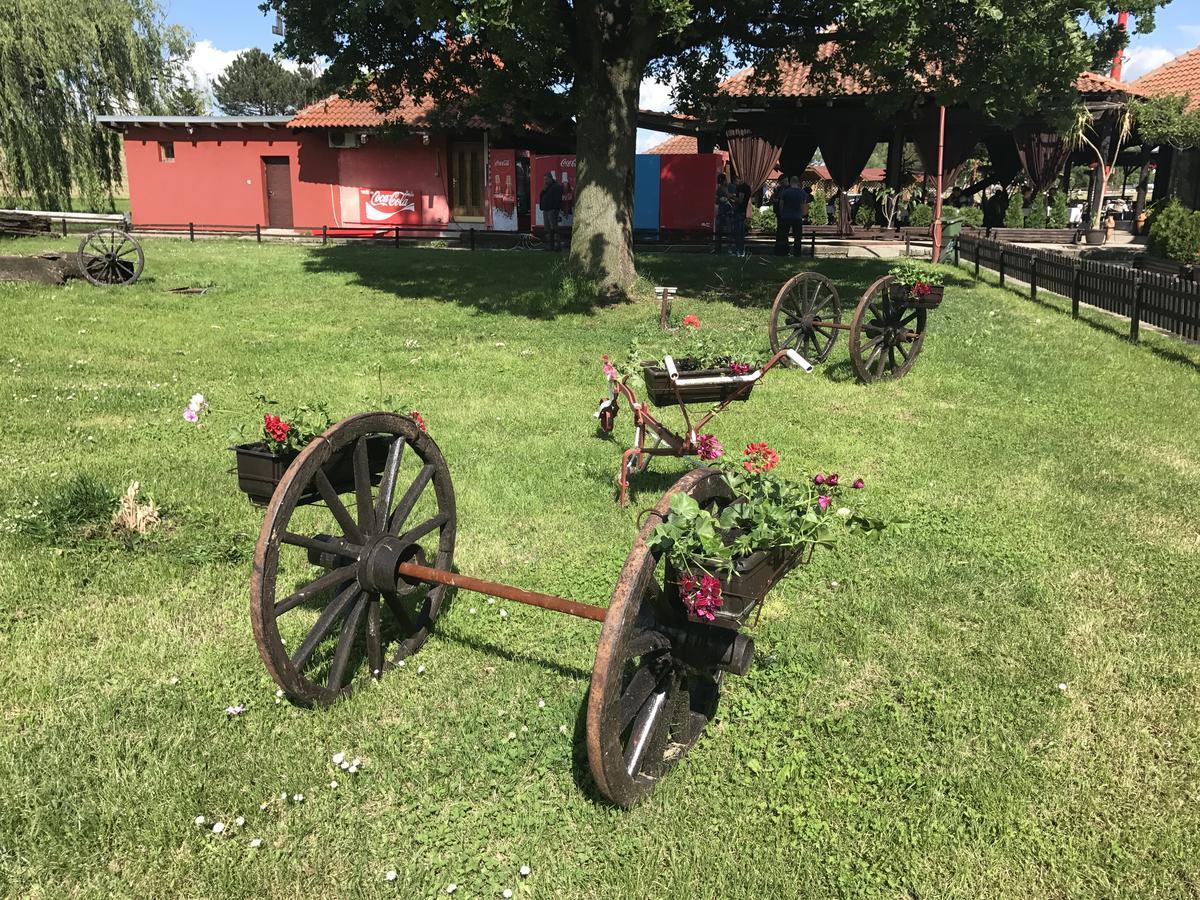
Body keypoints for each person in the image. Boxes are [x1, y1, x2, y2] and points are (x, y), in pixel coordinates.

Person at [775, 175, 806, 256]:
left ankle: (784, 252)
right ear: (798, 182)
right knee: (798, 236)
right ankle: (797, 253)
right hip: (798, 217)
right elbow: (804, 206)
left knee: (784, 235)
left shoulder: (786, 192)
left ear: (790, 182)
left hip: (786, 216)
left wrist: (782, 213)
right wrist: (802, 214)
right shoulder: (802, 192)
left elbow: (781, 205)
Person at [538, 172, 563, 250]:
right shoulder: (546, 187)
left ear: (550, 178)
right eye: (544, 179)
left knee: (554, 228)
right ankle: (548, 245)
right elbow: (542, 196)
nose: (545, 181)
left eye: (546, 179)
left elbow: (558, 199)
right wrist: (543, 190)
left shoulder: (556, 186)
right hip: (546, 210)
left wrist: (555, 209)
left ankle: (556, 245)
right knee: (547, 229)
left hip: (552, 210)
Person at [713, 174, 733, 254]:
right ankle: (729, 249)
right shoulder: (722, 188)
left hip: (721, 212)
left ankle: (718, 249)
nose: (727, 181)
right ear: (723, 181)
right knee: (728, 231)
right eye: (726, 180)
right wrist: (731, 196)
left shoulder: (720, 188)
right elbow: (728, 196)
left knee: (719, 232)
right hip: (724, 213)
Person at [731, 181, 752, 257]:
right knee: (740, 232)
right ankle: (741, 250)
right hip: (743, 211)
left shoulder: (742, 188)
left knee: (738, 232)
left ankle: (739, 251)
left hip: (739, 212)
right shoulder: (747, 187)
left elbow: (740, 200)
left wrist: (732, 196)